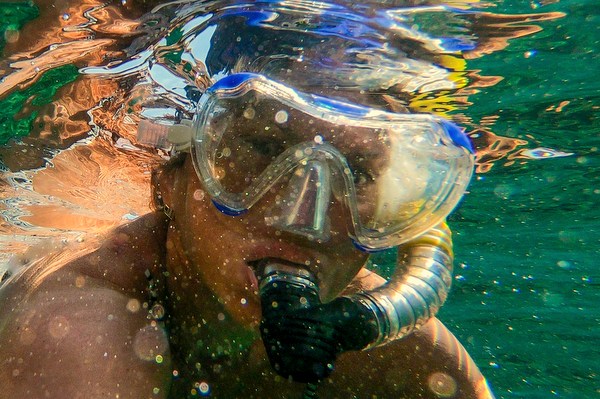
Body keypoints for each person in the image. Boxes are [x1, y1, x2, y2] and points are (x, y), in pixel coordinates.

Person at [0, 1, 496, 398]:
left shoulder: (391, 345)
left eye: (359, 172)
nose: (304, 218)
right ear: (170, 180)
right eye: (261, 149)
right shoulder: (79, 322)